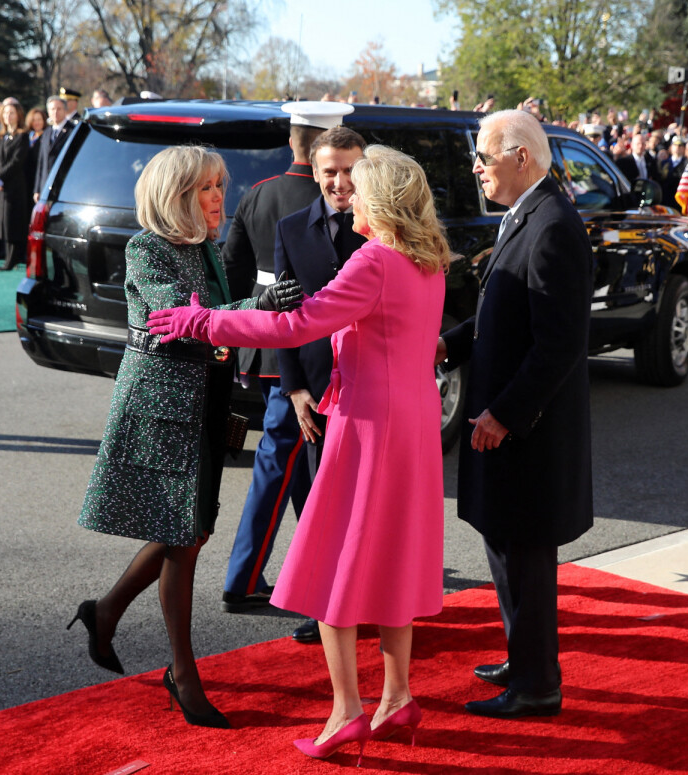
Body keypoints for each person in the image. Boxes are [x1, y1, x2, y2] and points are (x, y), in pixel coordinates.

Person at [149, 145, 448, 762]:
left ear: (381, 201)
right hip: (413, 425)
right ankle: (396, 697)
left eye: (358, 188)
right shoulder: (429, 261)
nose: (348, 197)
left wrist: (202, 322)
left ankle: (347, 712)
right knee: (393, 558)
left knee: (333, 562)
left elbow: (295, 326)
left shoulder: (376, 260)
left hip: (368, 427)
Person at [71, 145, 301, 730]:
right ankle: (182, 671)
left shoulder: (204, 248)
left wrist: (262, 306)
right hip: (161, 407)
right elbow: (185, 317)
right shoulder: (145, 248)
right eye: (207, 188)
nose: (221, 196)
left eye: (220, 184)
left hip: (203, 400)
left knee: (188, 532)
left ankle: (105, 612)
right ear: (176, 195)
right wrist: (260, 304)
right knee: (185, 535)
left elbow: (217, 316)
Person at [437, 109, 593, 719]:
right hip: (509, 429)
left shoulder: (552, 224)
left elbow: (558, 344)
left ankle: (536, 684)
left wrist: (503, 413)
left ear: (520, 158)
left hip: (529, 435)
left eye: (483, 156)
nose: (475, 167)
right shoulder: (528, 213)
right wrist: (453, 342)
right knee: (505, 547)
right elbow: (507, 312)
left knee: (527, 560)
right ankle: (523, 656)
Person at [219, 102, 352, 645]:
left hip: (268, 344)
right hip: (312, 353)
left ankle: (274, 572)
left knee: (294, 465)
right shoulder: (340, 200)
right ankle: (248, 575)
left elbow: (232, 272)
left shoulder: (259, 192)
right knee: (287, 463)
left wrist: (253, 314)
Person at [0, 98, 30, 271]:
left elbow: (16, 161)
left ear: (18, 115)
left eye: (11, 113)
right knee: (3, 222)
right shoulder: (0, 136)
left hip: (14, 186)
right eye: (5, 113)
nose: (8, 116)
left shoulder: (22, 136)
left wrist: (0, 177)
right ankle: (7, 256)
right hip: (0, 187)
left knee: (13, 222)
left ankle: (13, 258)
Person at [33, 95, 73, 202]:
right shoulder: (46, 132)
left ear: (65, 110)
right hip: (45, 187)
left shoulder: (72, 131)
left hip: (64, 187)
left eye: (59, 109)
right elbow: (41, 162)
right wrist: (37, 189)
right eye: (52, 109)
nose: (55, 112)